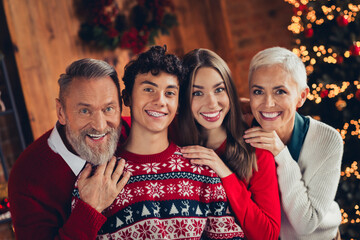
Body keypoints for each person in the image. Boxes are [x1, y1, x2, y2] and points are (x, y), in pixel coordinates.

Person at [72, 46, 245, 239]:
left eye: (170, 93)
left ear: (179, 104)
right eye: (148, 89)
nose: (160, 101)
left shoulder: (203, 173)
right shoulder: (98, 178)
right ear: (126, 98)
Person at [8, 58, 131, 239]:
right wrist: (89, 210)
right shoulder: (27, 176)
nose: (99, 125)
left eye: (109, 108)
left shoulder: (132, 132)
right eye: (84, 111)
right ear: (61, 112)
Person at [177, 48, 281, 240]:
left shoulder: (256, 151)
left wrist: (223, 172)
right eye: (197, 93)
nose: (212, 103)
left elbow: (268, 234)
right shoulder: (173, 140)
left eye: (219, 89)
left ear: (229, 91)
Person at [243, 46, 343, 240]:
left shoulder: (327, 140)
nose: (268, 103)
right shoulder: (242, 133)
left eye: (280, 91)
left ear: (301, 97)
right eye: (258, 91)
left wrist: (281, 154)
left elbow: (305, 224)